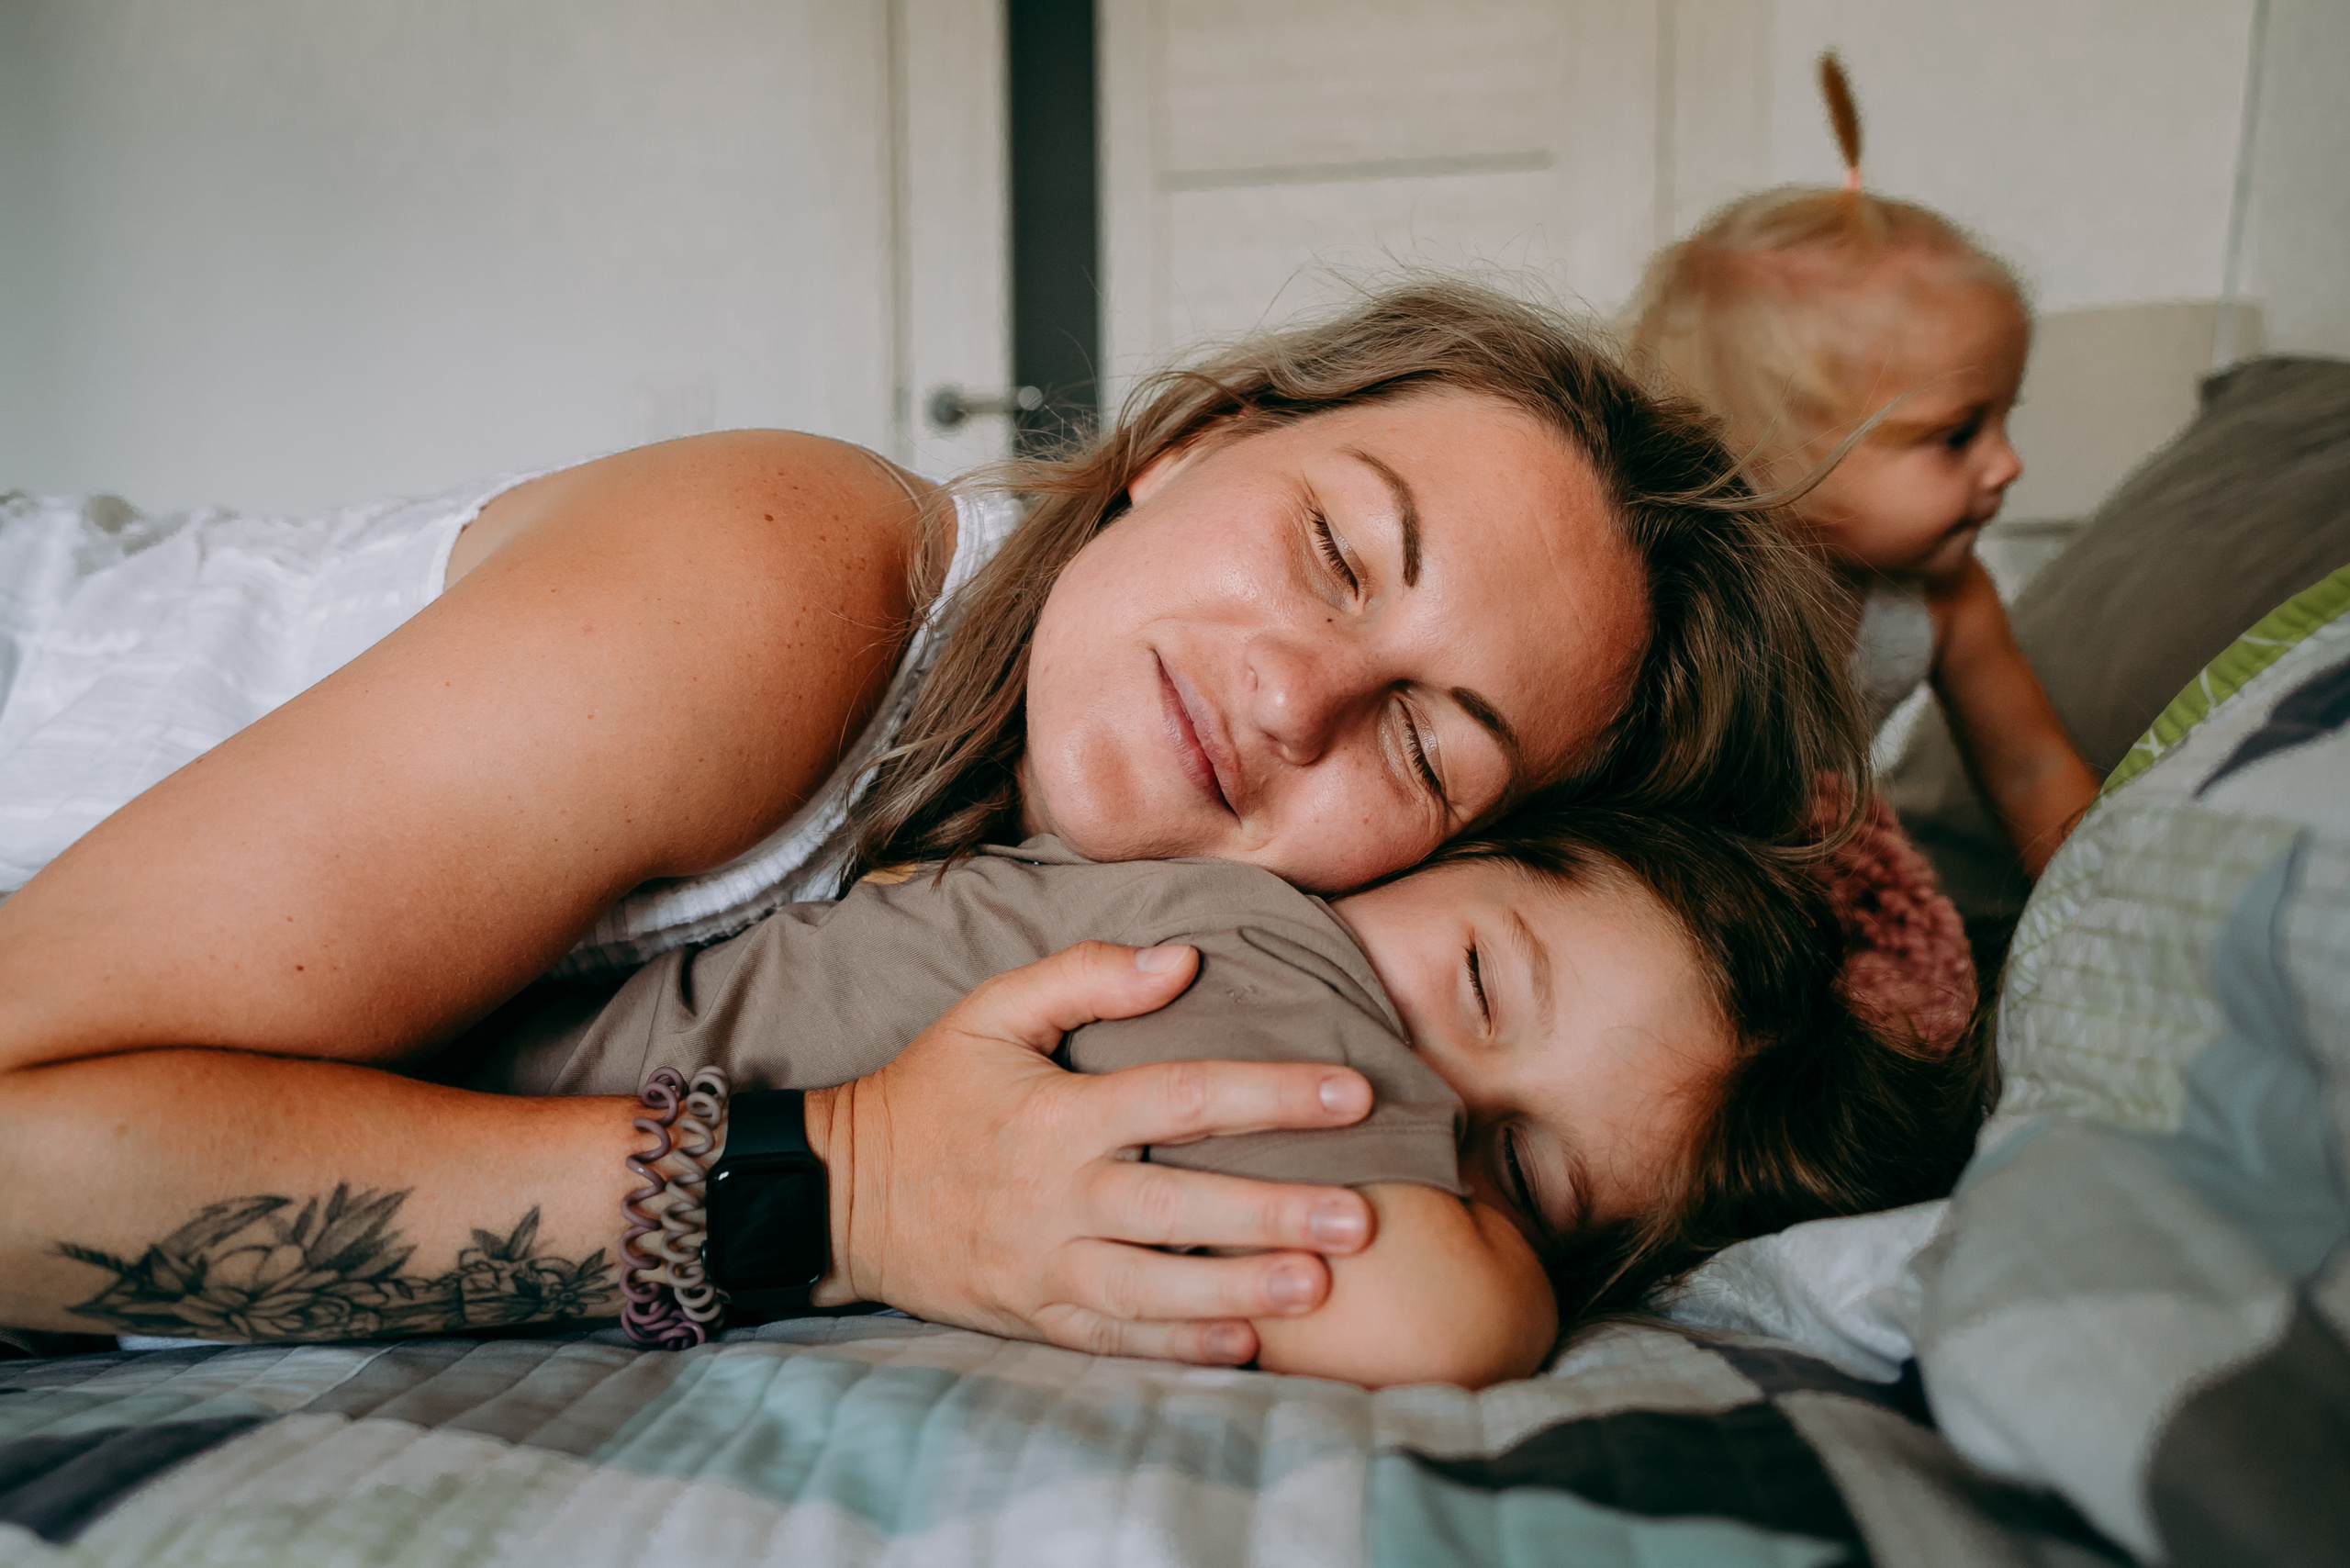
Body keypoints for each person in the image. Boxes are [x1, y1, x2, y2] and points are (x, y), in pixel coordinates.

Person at [0, 281, 1863, 1360]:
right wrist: (844, 1190)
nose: (1292, 695)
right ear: (1190, 441)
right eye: (1331, 547)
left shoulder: (1071, 929)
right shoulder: (777, 584)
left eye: (1429, 744)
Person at [440, 810, 1986, 1389]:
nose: (1423, 1101)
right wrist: (1506, 1280)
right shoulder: (1246, 944)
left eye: (1522, 1167)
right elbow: (1438, 1323)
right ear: (1442, 848)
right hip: (447, 1080)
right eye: (1478, 981)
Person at [1620, 56, 2099, 879]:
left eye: (2003, 418)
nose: (2009, 464)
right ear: (1773, 456)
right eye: (1957, 435)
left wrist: (2109, 908)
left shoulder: (1948, 600)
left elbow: (2033, 770)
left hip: (1812, 879)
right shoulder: (1683, 594)